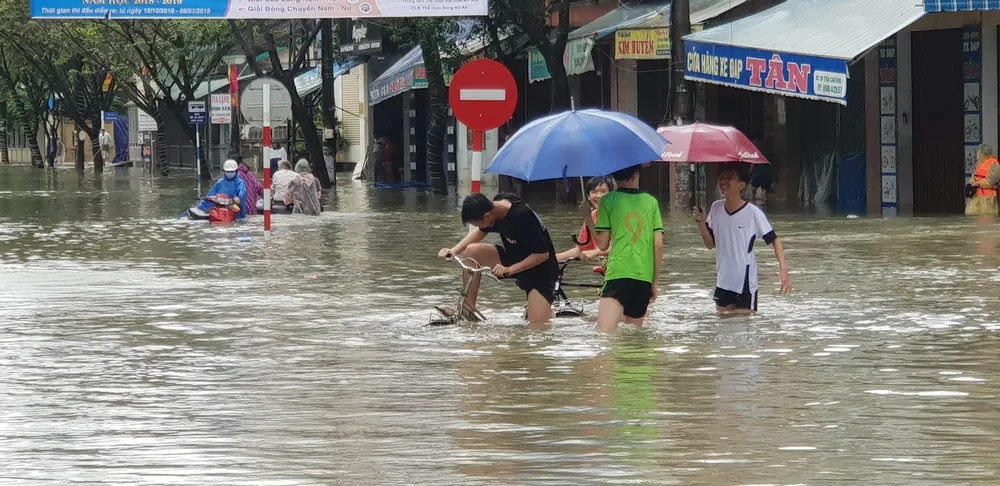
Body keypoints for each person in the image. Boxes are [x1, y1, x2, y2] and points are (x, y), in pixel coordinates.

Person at [436, 194, 559, 324]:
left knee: (537, 328)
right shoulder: (495, 208)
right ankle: (467, 309)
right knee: (472, 251)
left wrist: (509, 269)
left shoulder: (522, 216)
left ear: (487, 217)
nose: (481, 227)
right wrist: (454, 250)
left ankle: (546, 310)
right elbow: (481, 231)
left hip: (540, 271)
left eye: (477, 223)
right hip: (514, 258)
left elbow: (542, 255)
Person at [693, 163, 792, 314]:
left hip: (745, 285)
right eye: (722, 178)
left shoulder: (753, 213)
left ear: (741, 185)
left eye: (729, 178)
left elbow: (775, 240)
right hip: (723, 282)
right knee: (723, 332)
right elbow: (710, 244)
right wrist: (701, 224)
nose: (723, 182)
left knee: (745, 330)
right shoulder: (716, 208)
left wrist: (783, 268)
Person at [583, 165, 663, 331]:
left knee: (604, 335)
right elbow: (658, 245)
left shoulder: (608, 201)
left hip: (618, 274)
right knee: (633, 338)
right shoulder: (651, 202)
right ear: (635, 175)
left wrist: (587, 218)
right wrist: (654, 283)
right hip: (644, 278)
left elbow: (602, 244)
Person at [556, 176, 615, 263]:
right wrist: (555, 258)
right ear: (588, 196)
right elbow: (582, 249)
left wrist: (596, 252)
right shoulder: (592, 216)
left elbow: (620, 246)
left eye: (603, 191)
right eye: (594, 192)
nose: (598, 196)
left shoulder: (618, 215)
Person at [965, 144, 1000, 216]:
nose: (977, 155)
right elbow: (974, 176)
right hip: (976, 196)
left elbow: (992, 181)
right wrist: (972, 182)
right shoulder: (979, 164)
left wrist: (978, 183)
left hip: (988, 198)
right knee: (972, 215)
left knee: (987, 218)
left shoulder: (994, 164)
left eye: (978, 153)